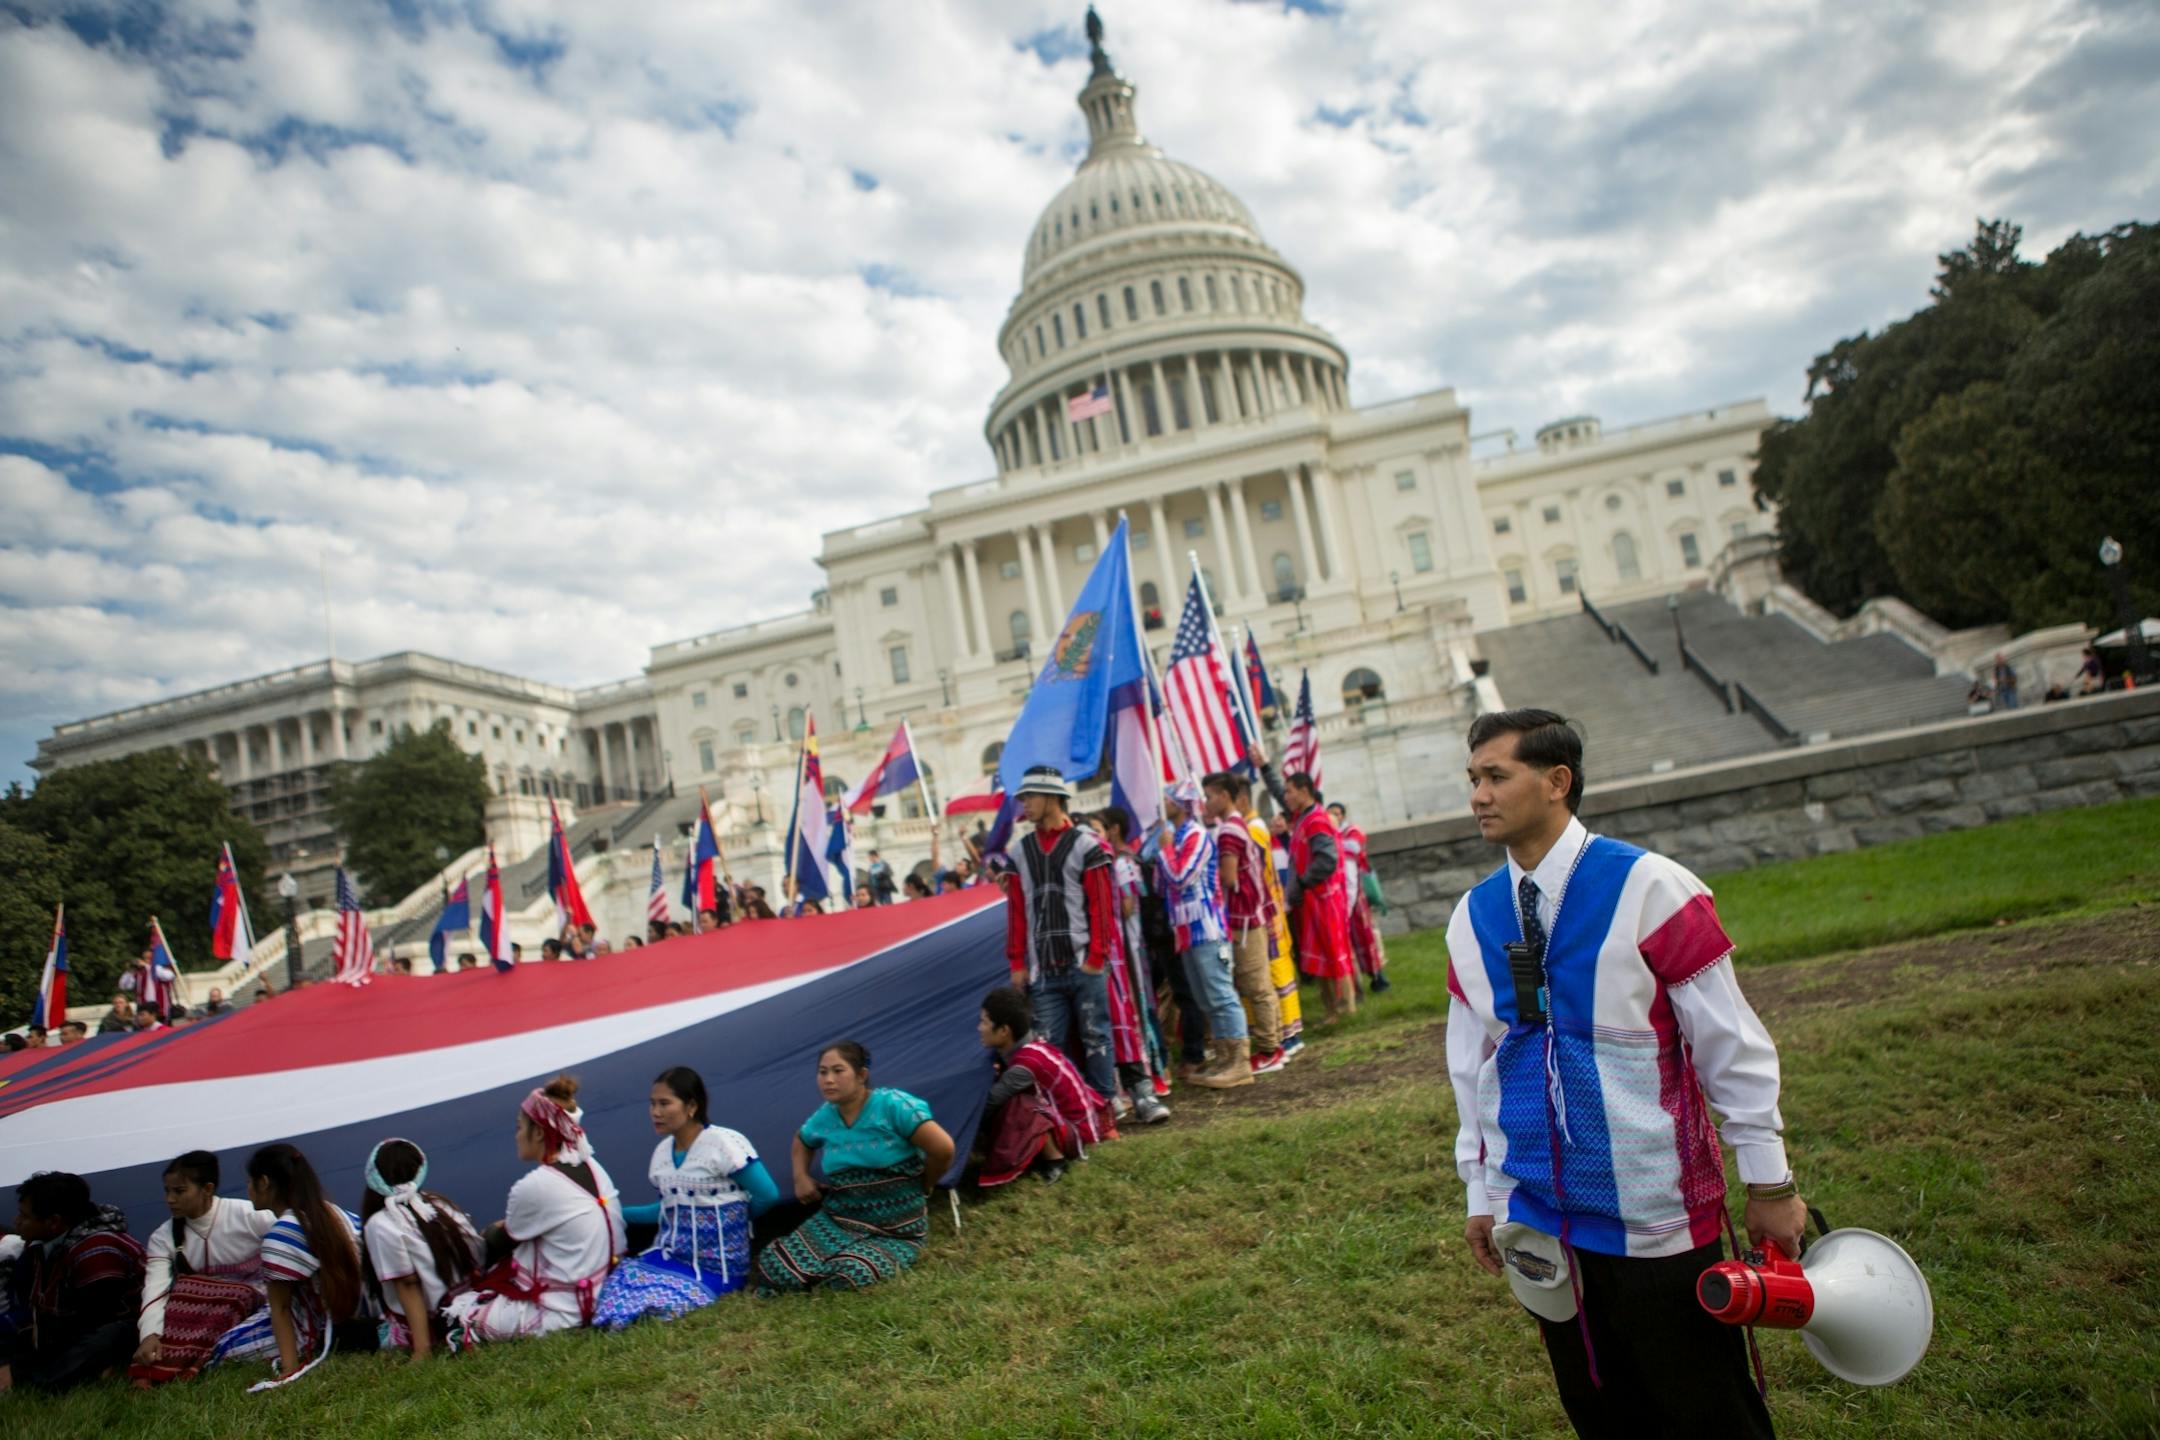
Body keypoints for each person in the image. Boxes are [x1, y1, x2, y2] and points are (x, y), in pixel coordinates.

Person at [1445, 709, 1799, 1438]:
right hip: (1539, 1220)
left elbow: (1731, 1046)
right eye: (1473, 779)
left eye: (1495, 776)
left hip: (1656, 1215)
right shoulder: (1472, 918)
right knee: (1600, 1408)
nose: (1478, 795)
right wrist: (1483, 1191)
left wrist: (1769, 1181)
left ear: (1557, 781)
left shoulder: (1652, 887)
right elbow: (1473, 1068)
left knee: (1706, 1407)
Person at [756, 1041, 955, 1296]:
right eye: (822, 1071)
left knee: (848, 1273)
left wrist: (926, 1183)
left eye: (838, 1071)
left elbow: (943, 1148)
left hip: (896, 1228)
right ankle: (814, 1269)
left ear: (861, 1075)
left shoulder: (893, 1106)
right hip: (841, 1218)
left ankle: (839, 1268)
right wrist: (800, 1176)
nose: (828, 1079)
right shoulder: (825, 1116)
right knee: (775, 1266)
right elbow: (802, 1140)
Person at [443, 1074, 625, 1344]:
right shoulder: (593, 1166)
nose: (517, 1136)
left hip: (563, 1313)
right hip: (603, 1292)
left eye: (519, 1127)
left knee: (459, 1312)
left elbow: (502, 1238)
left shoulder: (536, 1186)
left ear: (538, 1131)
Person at [594, 1067, 781, 1328]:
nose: (655, 1112)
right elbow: (665, 1210)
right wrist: (613, 1213)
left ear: (691, 1105)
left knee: (662, 1303)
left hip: (718, 1265)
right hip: (672, 1256)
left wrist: (736, 1218)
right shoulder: (661, 1154)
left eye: (664, 1103)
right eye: (652, 1104)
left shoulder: (723, 1144)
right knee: (619, 1283)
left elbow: (768, 1194)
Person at [999, 766, 1119, 1102]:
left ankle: (1105, 1109)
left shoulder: (1086, 846)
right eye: (1023, 797)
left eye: (1031, 796)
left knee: (1096, 1038)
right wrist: (1017, 963)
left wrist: (1097, 956)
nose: (1025, 804)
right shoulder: (1019, 852)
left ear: (1053, 797)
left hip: (1084, 961)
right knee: (1049, 1048)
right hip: (1042, 969)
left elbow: (1101, 906)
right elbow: (1016, 913)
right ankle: (1069, 1113)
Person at [218, 1144, 371, 1386]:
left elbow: (281, 1309)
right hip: (364, 1314)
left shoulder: (281, 1237)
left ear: (264, 1182)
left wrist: (288, 1370)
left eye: (250, 1181)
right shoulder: (330, 1211)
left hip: (326, 1329)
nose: (247, 1188)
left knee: (223, 1349)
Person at [128, 1150, 277, 1387]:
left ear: (207, 1189)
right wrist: (149, 1335)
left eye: (179, 1191)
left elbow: (293, 1232)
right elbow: (155, 1290)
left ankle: (179, 1366)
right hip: (201, 1315)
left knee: (233, 1294)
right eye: (167, 1191)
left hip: (252, 1307)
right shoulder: (163, 1236)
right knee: (184, 1293)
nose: (170, 1199)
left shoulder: (248, 1215)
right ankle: (154, 1369)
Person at [0, 1171, 144, 1393]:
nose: (16, 1221)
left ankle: (32, 1380)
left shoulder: (96, 1251)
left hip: (119, 1330)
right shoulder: (38, 1247)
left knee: (104, 1340)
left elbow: (91, 1324)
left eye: (24, 1216)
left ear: (54, 1222)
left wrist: (20, 1367)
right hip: (67, 1332)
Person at [1158, 777, 1251, 1089]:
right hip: (1187, 932)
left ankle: (1240, 1061)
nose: (1163, 803)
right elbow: (1164, 884)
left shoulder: (1195, 836)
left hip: (1207, 929)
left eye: (1169, 799)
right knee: (1204, 997)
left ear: (1182, 804)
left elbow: (1181, 877)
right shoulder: (1178, 837)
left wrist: (1166, 851)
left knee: (1221, 994)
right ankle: (1226, 1059)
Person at [974, 985, 1117, 1186]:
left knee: (1022, 1105)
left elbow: (989, 1103)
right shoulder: (1031, 1049)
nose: (979, 1028)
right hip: (1077, 1123)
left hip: (1077, 1133)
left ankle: (1055, 1161)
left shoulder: (1026, 1064)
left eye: (984, 1022)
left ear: (1004, 1031)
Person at [360, 1139, 483, 1359]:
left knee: (349, 1334)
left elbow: (407, 1285)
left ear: (372, 1176)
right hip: (470, 1306)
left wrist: (421, 1349)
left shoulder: (380, 1224)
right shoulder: (437, 1204)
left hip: (433, 1324)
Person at [1086, 811, 1171, 1124]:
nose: (1093, 837)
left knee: (1132, 1015)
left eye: (1097, 829)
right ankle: (1111, 1094)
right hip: (1097, 956)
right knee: (1100, 1026)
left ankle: (1148, 1083)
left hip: (1124, 952)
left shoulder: (1116, 862)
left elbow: (1126, 906)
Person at [1205, 773, 1286, 1075]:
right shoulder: (1238, 824)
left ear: (1224, 796)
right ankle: (1274, 1043)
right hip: (1253, 914)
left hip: (1244, 918)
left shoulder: (1228, 831)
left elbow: (1228, 879)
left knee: (1256, 984)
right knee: (1260, 982)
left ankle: (1270, 1049)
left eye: (1210, 795)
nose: (1207, 802)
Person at [1280, 772, 1357, 1023]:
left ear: (1304, 790)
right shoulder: (1304, 819)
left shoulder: (1316, 820)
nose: (1286, 796)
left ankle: (1344, 1008)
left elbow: (1327, 859)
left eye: (1289, 791)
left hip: (1324, 899)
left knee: (1333, 953)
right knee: (1323, 954)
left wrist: (1303, 882)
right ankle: (1331, 1009)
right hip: (1313, 899)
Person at [1238, 775, 1304, 1060]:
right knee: (1278, 970)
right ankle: (1289, 1033)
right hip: (1270, 907)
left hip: (1262, 911)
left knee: (1272, 973)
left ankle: (1286, 1035)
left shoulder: (1252, 830)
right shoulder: (1256, 828)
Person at [1330, 801, 1392, 994]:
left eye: (1337, 814)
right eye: (1330, 814)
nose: (1334, 818)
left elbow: (1353, 850)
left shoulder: (1352, 832)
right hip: (1343, 895)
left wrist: (1335, 842)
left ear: (1343, 815)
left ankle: (1378, 977)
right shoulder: (1336, 836)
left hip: (1359, 895)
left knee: (1369, 936)